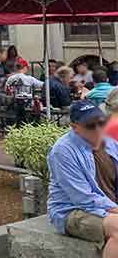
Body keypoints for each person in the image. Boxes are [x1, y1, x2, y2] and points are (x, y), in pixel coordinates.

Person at [47, 100, 118, 256]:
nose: (98, 129)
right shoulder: (62, 151)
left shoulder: (110, 141)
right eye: (91, 126)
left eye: (101, 122)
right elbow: (83, 198)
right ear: (75, 127)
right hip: (72, 211)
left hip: (109, 205)